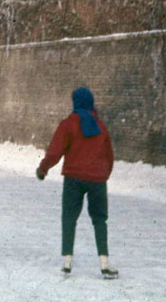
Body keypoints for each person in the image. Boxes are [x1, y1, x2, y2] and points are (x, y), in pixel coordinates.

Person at [36, 86, 117, 279]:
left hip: (73, 179)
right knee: (99, 220)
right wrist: (103, 175)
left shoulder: (68, 124)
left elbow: (55, 151)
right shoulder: (101, 126)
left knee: (69, 217)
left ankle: (67, 261)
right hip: (97, 180)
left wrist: (43, 169)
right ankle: (104, 263)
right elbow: (109, 156)